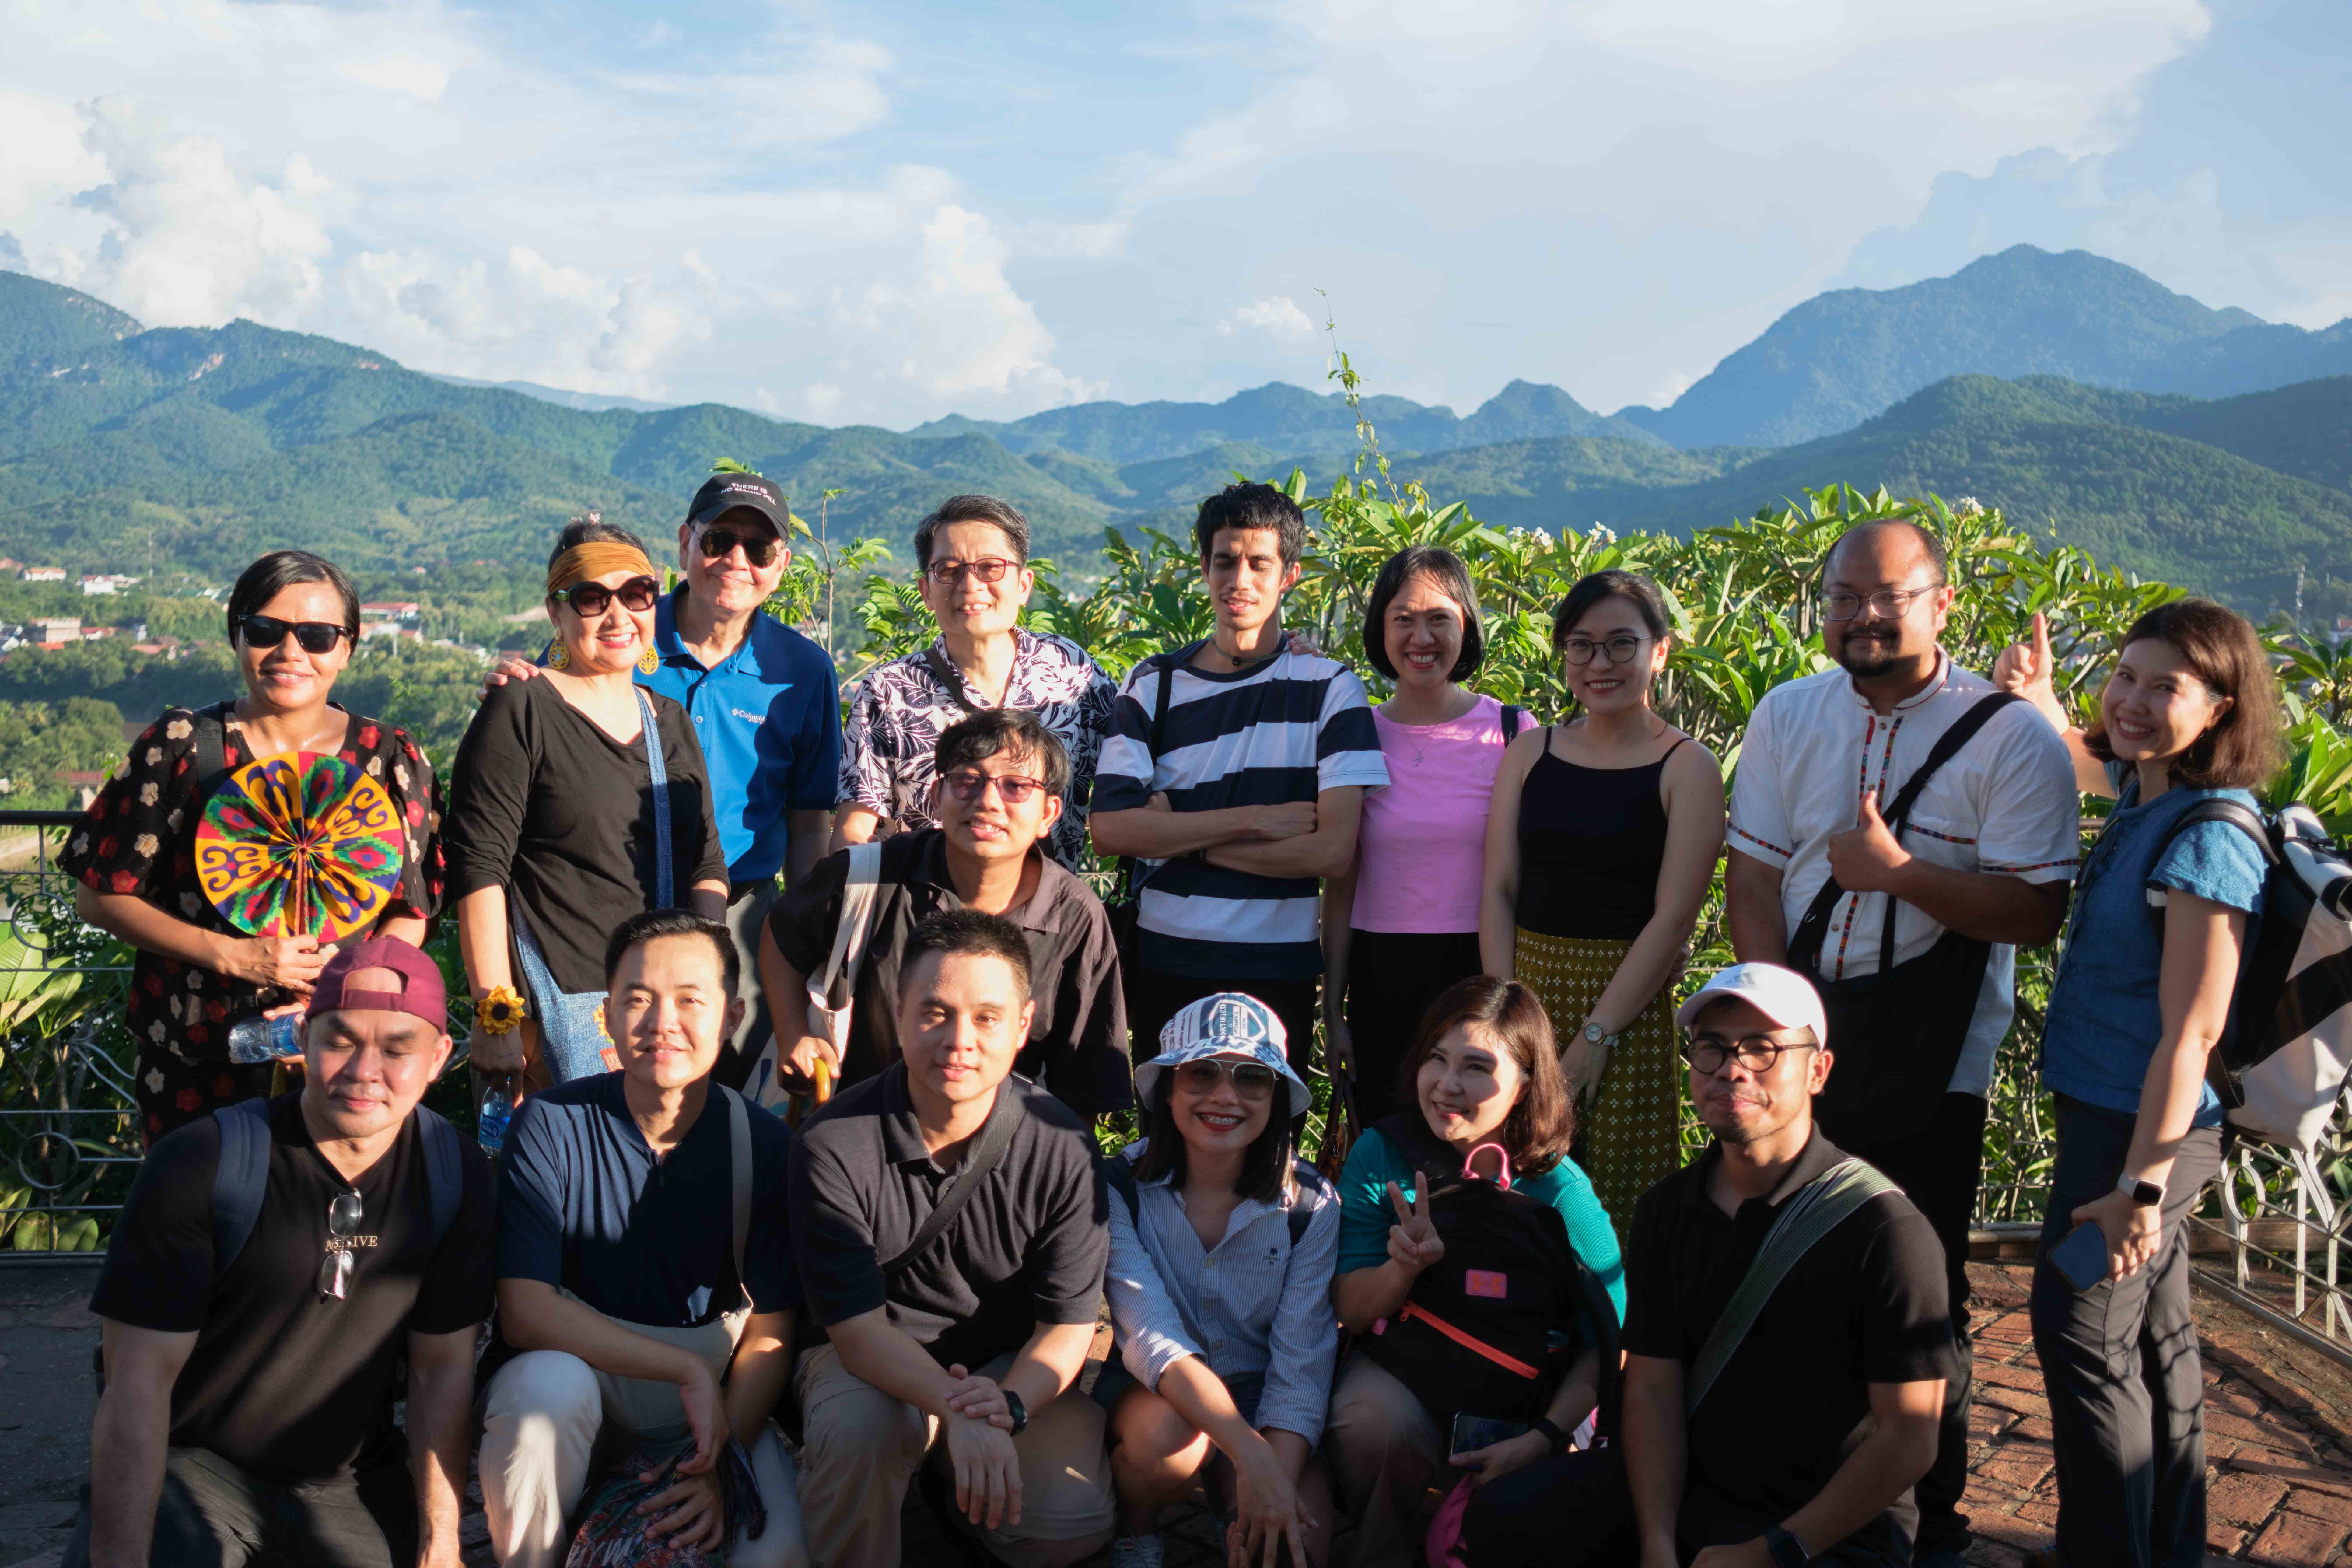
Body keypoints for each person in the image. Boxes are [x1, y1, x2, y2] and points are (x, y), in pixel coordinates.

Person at [1721, 519, 2079, 1566]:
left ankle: (1929, 1518)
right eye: (1842, 596)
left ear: (1941, 603)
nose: (1862, 616)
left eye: (1887, 596)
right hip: (1801, 1035)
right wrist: (1776, 1025)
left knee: (1919, 1285)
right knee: (1790, 1261)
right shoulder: (1788, 713)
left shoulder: (2007, 734)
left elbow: (2034, 911)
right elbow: (1752, 872)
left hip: (1936, 1055)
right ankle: (1800, 1497)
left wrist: (1901, 876)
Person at [1471, 962, 1956, 1568]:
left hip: (1827, 1529)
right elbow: (1653, 1386)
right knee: (1502, 1520)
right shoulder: (1667, 1209)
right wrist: (1656, 1543)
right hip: (1692, 1493)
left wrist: (1769, 1551)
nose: (1733, 1067)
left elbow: (1909, 1438)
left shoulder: (1884, 1230)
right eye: (1712, 1047)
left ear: (1818, 1069)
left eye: (1763, 1048)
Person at [1995, 602, 2280, 1568]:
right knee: (2155, 1341)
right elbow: (2086, 753)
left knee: (2078, 1334)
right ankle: (2168, 1547)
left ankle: (2104, 1552)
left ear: (2219, 708)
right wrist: (2035, 695)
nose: (2129, 701)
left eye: (2164, 687)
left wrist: (2139, 1190)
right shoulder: (2145, 789)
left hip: (2136, 1135)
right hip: (2110, 1115)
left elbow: (2191, 1031)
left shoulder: (2210, 838)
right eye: (2124, 675)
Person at [68, 938, 495, 1568]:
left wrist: (442, 1544)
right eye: (341, 1039)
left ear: (438, 1059)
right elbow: (137, 1383)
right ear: (301, 1040)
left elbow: (441, 1369)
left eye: (398, 1048)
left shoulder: (453, 1172)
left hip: (349, 1483)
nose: (364, 1070)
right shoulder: (203, 1161)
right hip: (197, 1471)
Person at [64, 549, 446, 1143]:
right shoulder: (182, 746)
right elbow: (101, 897)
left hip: (344, 1052)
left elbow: (411, 910)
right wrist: (231, 954)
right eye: (267, 630)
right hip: (196, 1049)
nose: (291, 652)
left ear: (347, 648)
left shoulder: (390, 757)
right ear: (237, 636)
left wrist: (337, 994)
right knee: (196, 1218)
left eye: (318, 636)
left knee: (326, 1223)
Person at [483, 474, 843, 1090]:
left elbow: (811, 820)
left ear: (781, 565)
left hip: (737, 907)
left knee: (726, 1086)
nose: (735, 561)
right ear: (685, 544)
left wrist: (804, 940)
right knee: (589, 1083)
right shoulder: (618, 632)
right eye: (719, 540)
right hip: (599, 904)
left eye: (758, 550)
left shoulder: (803, 671)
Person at [788, 909, 1117, 1567]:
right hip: (870, 1364)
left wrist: (1008, 1407)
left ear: (1023, 1025)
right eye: (935, 1012)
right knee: (862, 1432)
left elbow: (1068, 1326)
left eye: (988, 1017)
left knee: (1072, 1523)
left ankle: (960, 1504)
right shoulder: (832, 1142)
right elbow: (856, 1333)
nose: (960, 1040)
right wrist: (960, 1409)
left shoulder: (1063, 1145)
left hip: (1005, 1368)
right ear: (898, 1009)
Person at [479, 909, 805, 1568]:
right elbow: (525, 1307)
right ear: (606, 1014)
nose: (662, 1023)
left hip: (709, 1401)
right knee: (546, 1394)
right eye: (637, 999)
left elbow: (772, 1326)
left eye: (690, 1000)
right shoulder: (551, 1123)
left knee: (778, 1554)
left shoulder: (764, 1145)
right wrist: (681, 1367)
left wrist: (720, 1465)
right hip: (581, 1373)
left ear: (734, 1015)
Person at [1324, 975, 1625, 1568]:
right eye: (1437, 1059)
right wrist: (1402, 1268)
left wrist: (1542, 1436)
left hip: (1526, 1399)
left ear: (1527, 1082)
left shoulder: (1561, 1190)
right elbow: (1352, 1306)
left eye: (1477, 1066)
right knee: (1370, 1422)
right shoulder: (1384, 1152)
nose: (1448, 1085)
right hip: (1406, 1374)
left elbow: (1610, 1341)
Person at [1091, 481, 1391, 1069]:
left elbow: (1331, 852)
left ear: (1289, 576)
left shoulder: (1330, 689)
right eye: (1225, 561)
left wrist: (1187, 844)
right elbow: (1113, 831)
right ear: (1203, 567)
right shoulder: (1154, 685)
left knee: (1269, 1141)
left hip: (1278, 964)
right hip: (1165, 957)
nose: (1239, 580)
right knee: (1168, 1139)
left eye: (1259, 563)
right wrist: (1257, 820)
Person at [444, 518, 731, 1090]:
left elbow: (706, 861)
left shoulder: (667, 719)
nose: (617, 615)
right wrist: (494, 1011)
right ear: (557, 612)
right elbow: (480, 869)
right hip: (550, 1012)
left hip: (658, 1013)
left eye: (635, 594)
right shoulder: (523, 708)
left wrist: (708, 972)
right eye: (591, 598)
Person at [1481, 569, 1723, 1234]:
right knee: (1512, 1186)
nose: (1600, 663)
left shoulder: (1687, 766)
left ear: (1660, 651)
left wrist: (1595, 1035)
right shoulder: (1532, 751)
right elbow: (1500, 885)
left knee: (1618, 1199)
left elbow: (1674, 917)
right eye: (1581, 646)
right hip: (1528, 992)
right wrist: (1505, 1012)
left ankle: (1616, 1336)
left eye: (1622, 644)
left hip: (1628, 1006)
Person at [761, 708, 1131, 1116]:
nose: (989, 801)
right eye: (967, 781)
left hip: (1005, 1155)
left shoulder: (1075, 917)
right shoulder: (868, 876)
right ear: (937, 797)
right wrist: (792, 1032)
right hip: (862, 1130)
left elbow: (1085, 1077)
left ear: (1048, 814)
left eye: (1016, 786)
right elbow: (781, 937)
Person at [1101, 993, 1341, 1568]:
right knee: (1171, 1437)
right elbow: (1151, 1336)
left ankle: (1233, 1506)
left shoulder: (1310, 1204)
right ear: (1167, 1088)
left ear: (1277, 1097)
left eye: (1253, 1077)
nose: (1225, 1095)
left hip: (1263, 1396)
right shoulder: (1117, 1184)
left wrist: (1270, 1485)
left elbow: (1300, 1362)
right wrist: (1249, 1454)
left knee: (1294, 1543)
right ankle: (1136, 1530)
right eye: (1201, 1072)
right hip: (1157, 1394)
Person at [1323, 545, 1530, 1126]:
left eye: (1439, 617)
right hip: (1379, 972)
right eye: (1403, 619)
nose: (1422, 636)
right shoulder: (1353, 732)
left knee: (1479, 1139)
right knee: (1388, 1143)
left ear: (1467, 623)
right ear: (1379, 629)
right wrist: (1333, 1010)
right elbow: (1340, 884)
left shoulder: (1513, 731)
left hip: (1481, 967)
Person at [836, 493, 1116, 872]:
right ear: (926, 591)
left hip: (1047, 919)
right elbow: (855, 829)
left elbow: (1125, 784)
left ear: (1023, 584)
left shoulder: (1074, 673)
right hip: (923, 917)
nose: (970, 584)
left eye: (990, 567)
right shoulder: (890, 691)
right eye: (949, 570)